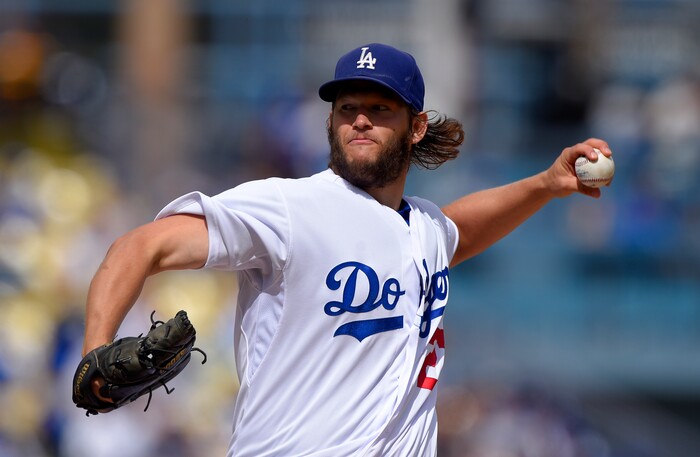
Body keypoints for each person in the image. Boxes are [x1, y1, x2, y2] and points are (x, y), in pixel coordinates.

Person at [81, 43, 612, 456]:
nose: (359, 119)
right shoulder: (289, 207)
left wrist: (545, 184)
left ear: (416, 127)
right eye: (347, 108)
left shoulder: (425, 228)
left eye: (379, 108)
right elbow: (140, 246)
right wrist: (94, 352)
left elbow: (458, 231)